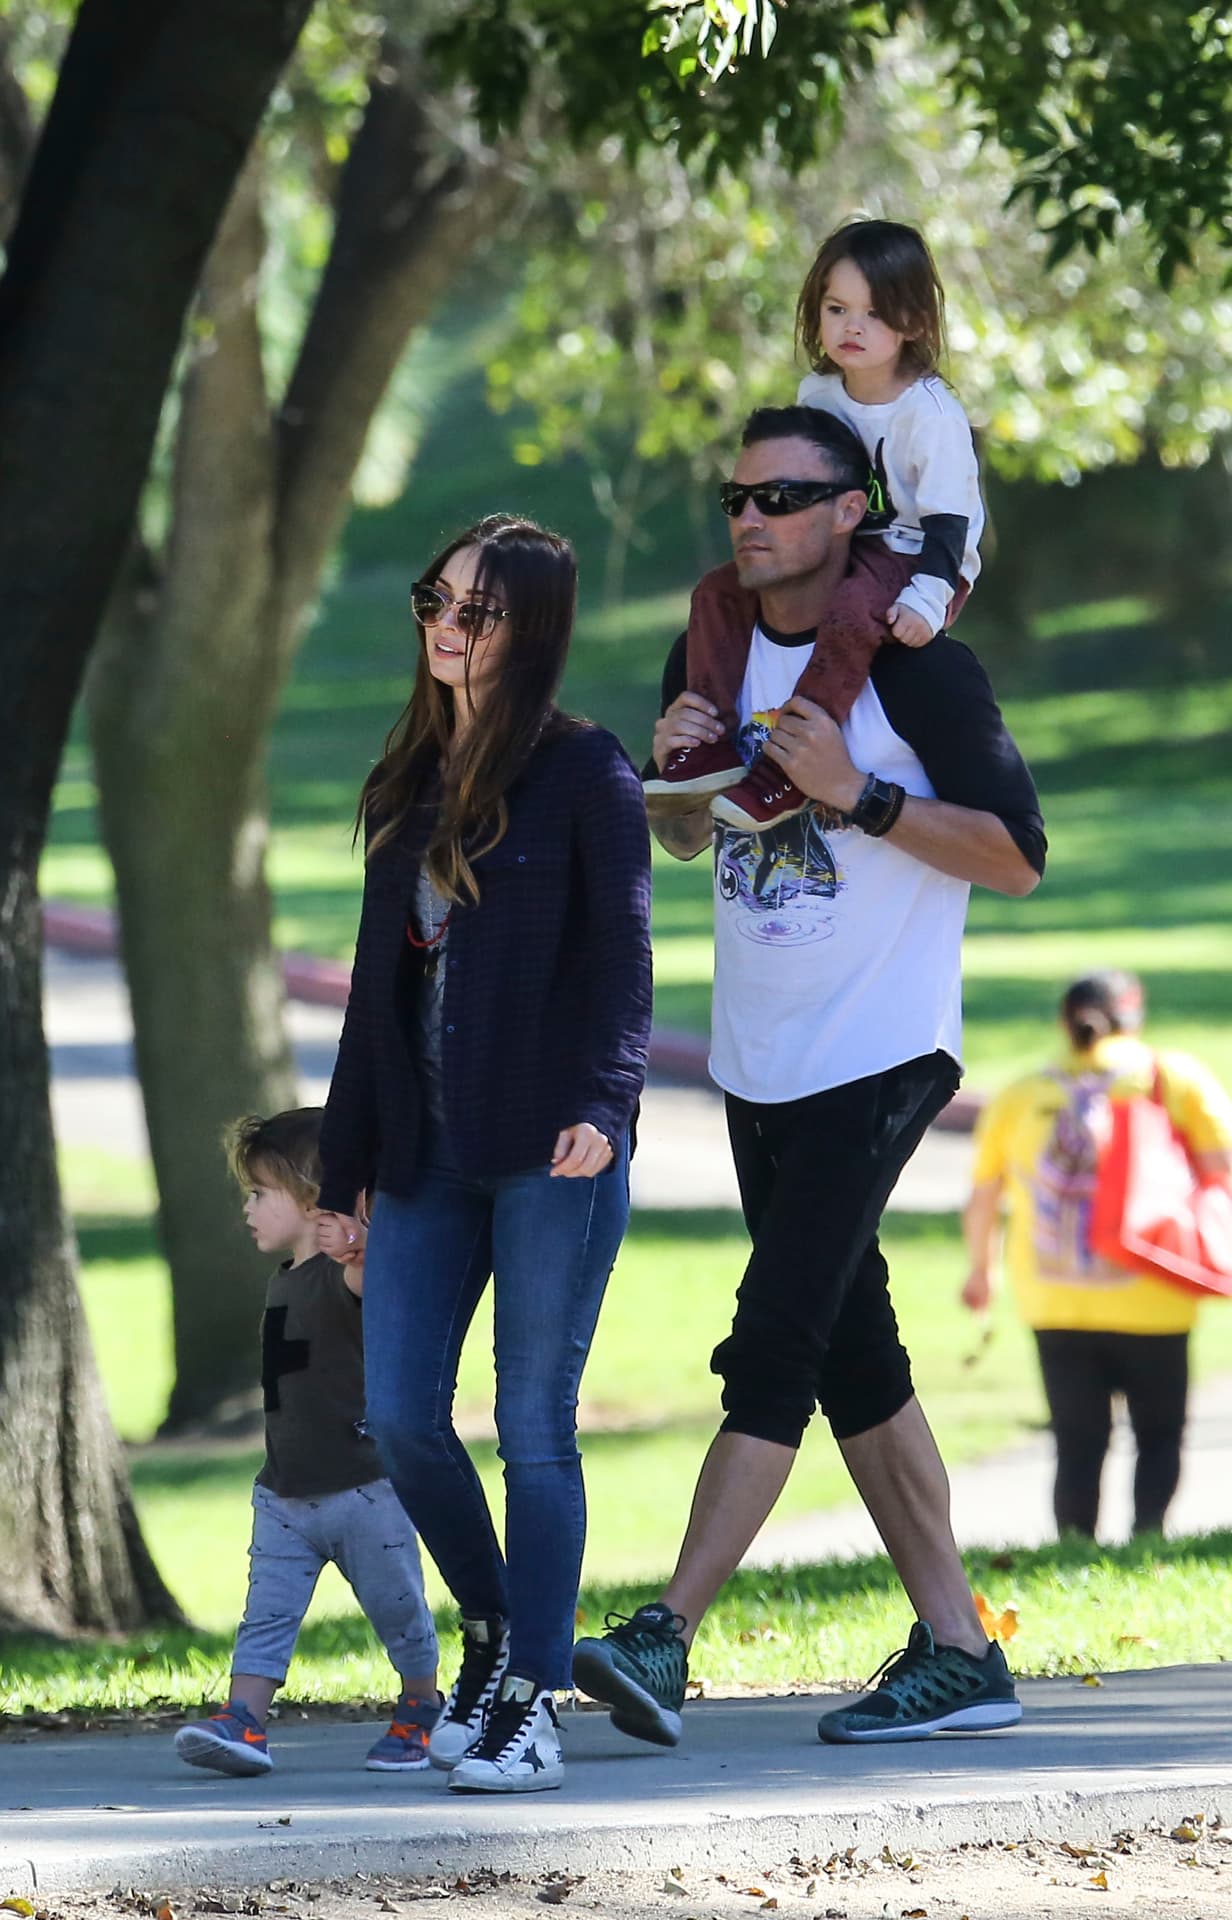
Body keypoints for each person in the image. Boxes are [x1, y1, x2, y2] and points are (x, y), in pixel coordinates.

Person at [573, 402, 1045, 1750]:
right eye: (738, 497)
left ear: (854, 513)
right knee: (855, 1351)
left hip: (881, 1045)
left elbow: (1016, 855)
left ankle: (665, 1635)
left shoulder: (915, 666)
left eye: (782, 496)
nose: (751, 517)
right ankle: (961, 1650)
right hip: (759, 1054)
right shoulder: (711, 645)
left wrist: (859, 792)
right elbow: (688, 842)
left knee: (775, 1337)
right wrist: (672, 781)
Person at [315, 515, 652, 1795]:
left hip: (550, 1151)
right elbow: (368, 1003)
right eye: (436, 600)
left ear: (535, 627)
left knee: (532, 1426)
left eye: (482, 608)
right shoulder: (407, 779)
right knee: (401, 1414)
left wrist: (604, 1103)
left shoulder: (586, 773)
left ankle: (530, 1700)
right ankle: (499, 1627)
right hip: (423, 1156)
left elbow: (623, 963)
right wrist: (345, 1177)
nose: (449, 626)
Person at [646, 218, 983, 832]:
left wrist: (929, 597)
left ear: (913, 322)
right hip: (850, 543)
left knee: (854, 612)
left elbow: (950, 522)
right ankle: (710, 747)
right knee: (718, 590)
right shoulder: (819, 392)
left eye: (875, 314)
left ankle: (790, 770)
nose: (852, 327)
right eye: (836, 308)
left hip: (918, 558)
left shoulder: (929, 413)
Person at [175, 1108, 440, 1778]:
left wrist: (359, 1238)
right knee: (265, 1613)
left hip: (364, 1489)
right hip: (284, 1493)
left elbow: (386, 1274)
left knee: (399, 1611)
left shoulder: (343, 1272)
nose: (248, 1208)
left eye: (261, 1193)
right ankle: (245, 1721)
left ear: (313, 1199)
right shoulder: (286, 1279)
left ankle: (422, 1706)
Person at [961, 971, 1232, 1540]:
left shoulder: (1021, 1095)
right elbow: (1227, 1161)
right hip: (1154, 1292)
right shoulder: (1172, 1079)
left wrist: (981, 1272)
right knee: (1160, 1434)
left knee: (1076, 1442)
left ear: (1063, 1022)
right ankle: (1147, 1536)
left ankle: (1074, 1547)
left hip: (1053, 1300)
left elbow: (982, 1199)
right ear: (1134, 1017)